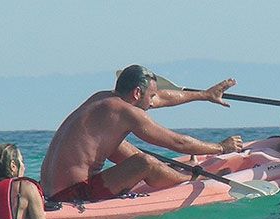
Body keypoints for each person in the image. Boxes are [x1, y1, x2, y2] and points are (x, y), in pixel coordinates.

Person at [40, 64, 243, 201]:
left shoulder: (102, 99)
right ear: (137, 93)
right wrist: (221, 147)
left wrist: (204, 95)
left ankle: (166, 170)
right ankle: (189, 179)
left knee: (117, 145)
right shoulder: (127, 112)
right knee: (144, 162)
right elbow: (178, 143)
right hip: (73, 196)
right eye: (151, 96)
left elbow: (162, 98)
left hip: (48, 191)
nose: (154, 101)